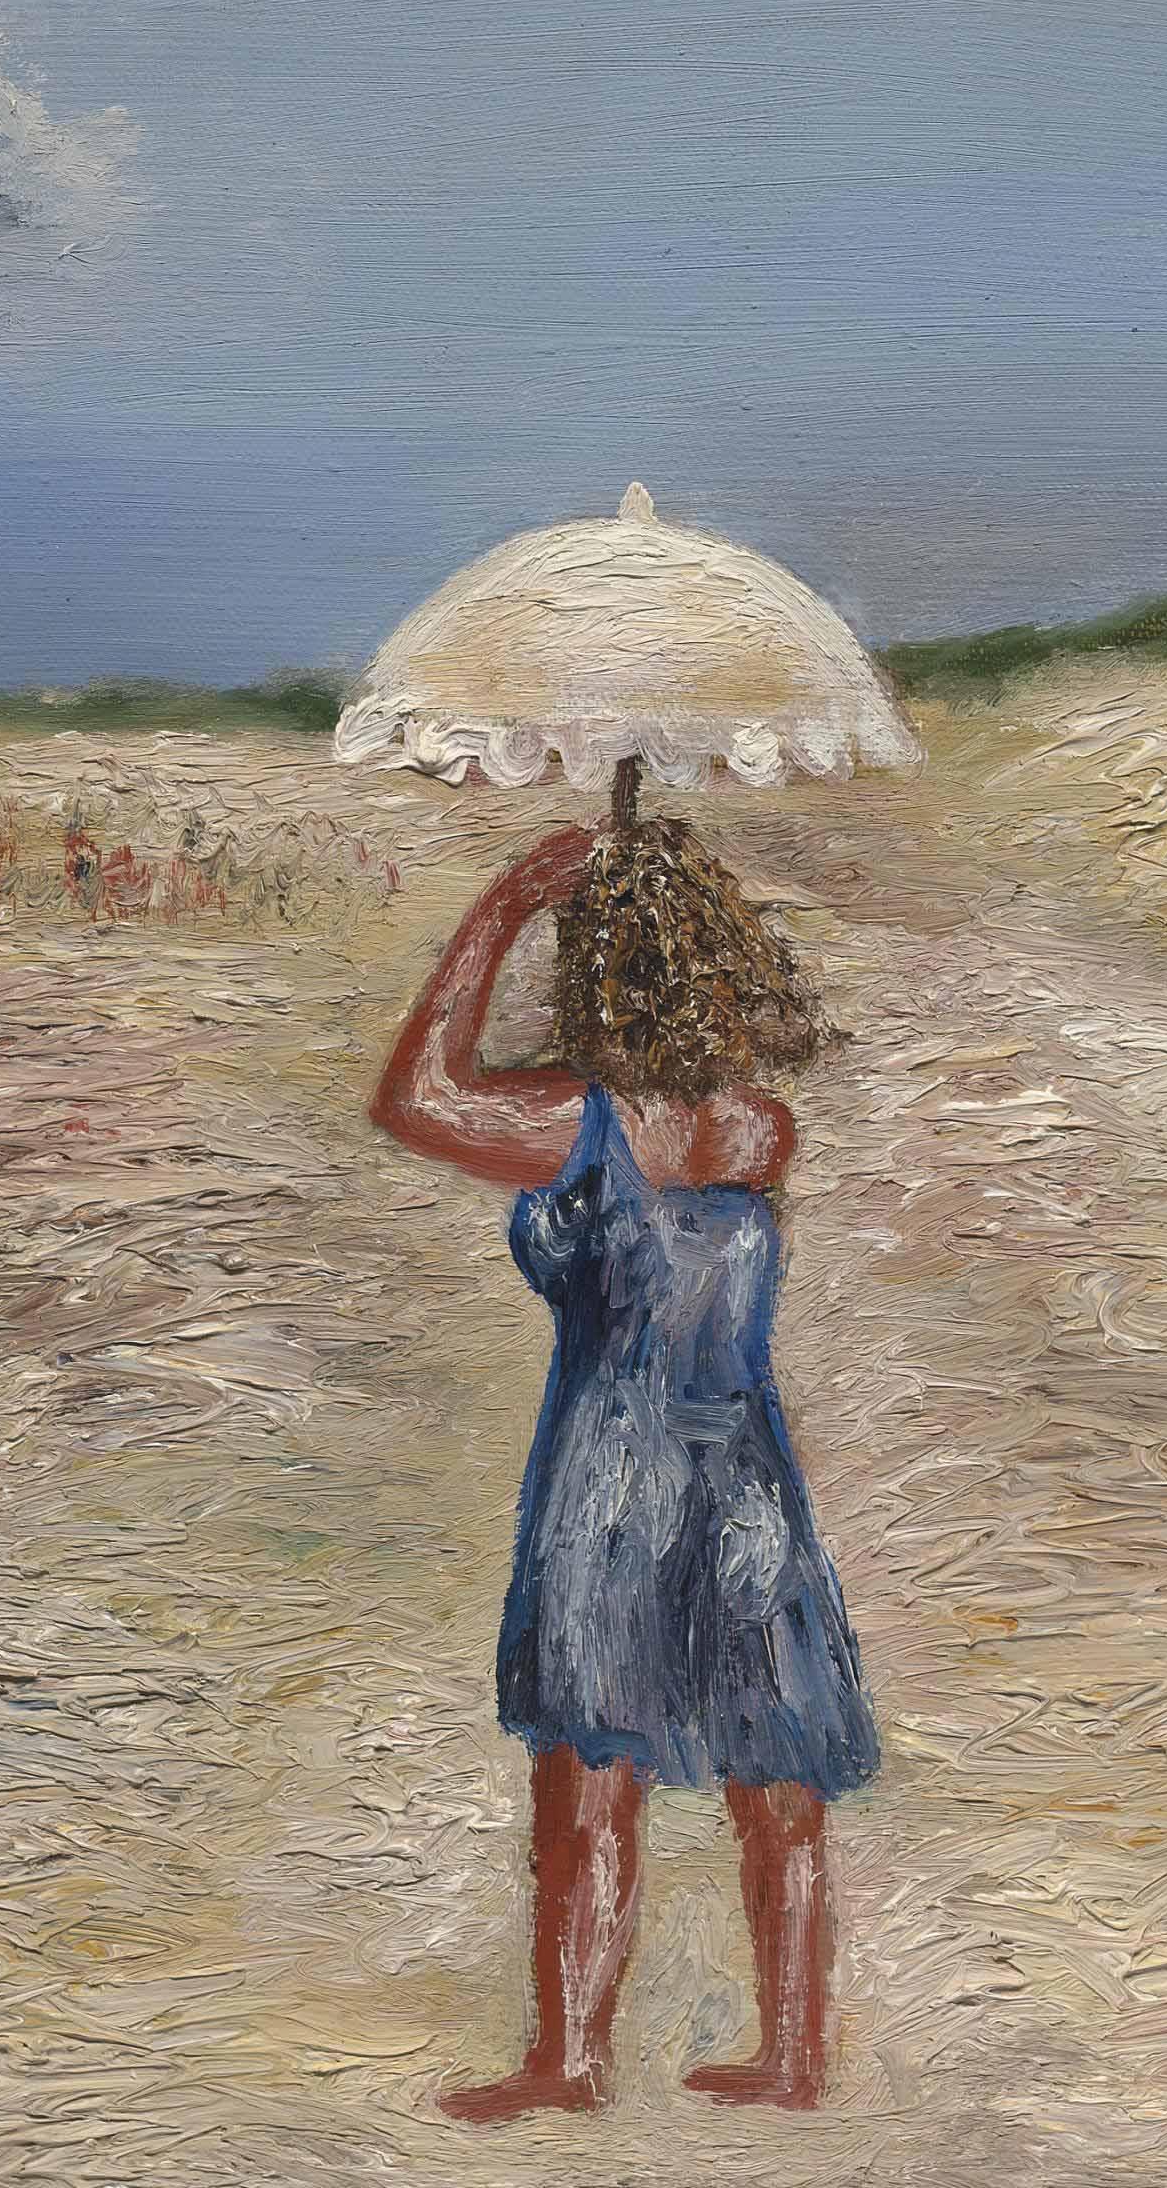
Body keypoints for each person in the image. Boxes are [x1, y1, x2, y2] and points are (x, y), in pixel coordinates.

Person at [370, 809, 876, 2120]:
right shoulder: (759, 1127)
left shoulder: (580, 1124)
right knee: (775, 1760)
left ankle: (571, 2060)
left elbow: (412, 1096)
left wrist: (501, 909)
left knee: (589, 1771)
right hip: (745, 1471)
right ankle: (794, 2054)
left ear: (593, 975)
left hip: (608, 1479)